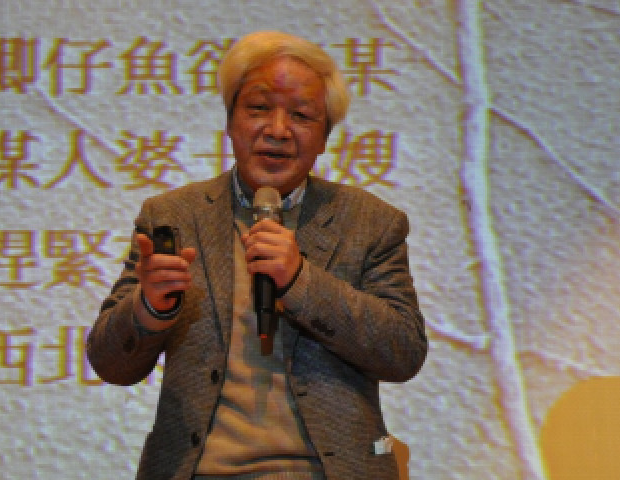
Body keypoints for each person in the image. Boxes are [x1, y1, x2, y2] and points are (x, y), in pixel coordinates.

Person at [86, 30, 428, 480]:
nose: (277, 130)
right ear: (230, 122)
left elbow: (403, 351)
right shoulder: (171, 217)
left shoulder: (371, 222)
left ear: (325, 137)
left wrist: (301, 281)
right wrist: (147, 308)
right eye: (259, 108)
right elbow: (111, 363)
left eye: (301, 115)